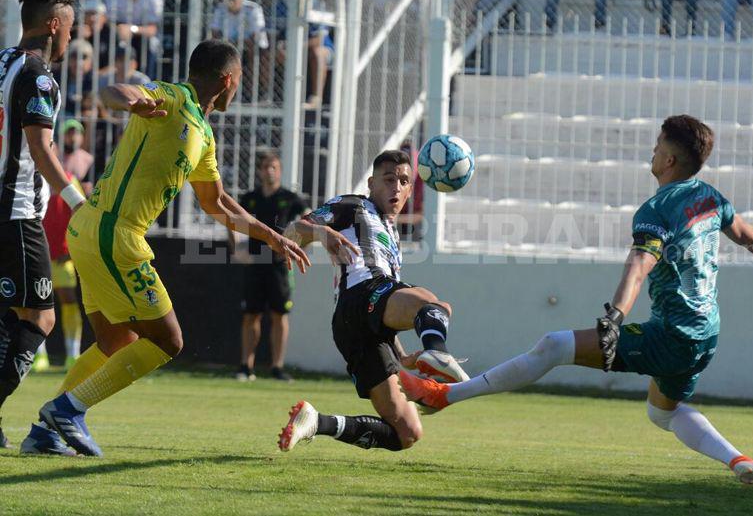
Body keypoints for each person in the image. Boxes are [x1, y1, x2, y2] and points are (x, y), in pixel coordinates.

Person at [398, 115, 753, 490]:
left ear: (668, 157)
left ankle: (444, 395)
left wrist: (615, 318)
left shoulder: (656, 210)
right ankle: (743, 463)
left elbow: (640, 265)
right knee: (662, 412)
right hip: (707, 332)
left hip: (674, 333)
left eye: (656, 145)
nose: (651, 151)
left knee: (552, 346)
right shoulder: (708, 196)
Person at [19, 40, 310, 457]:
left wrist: (273, 236)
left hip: (92, 230)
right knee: (169, 341)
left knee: (115, 341)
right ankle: (67, 410)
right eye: (239, 80)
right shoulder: (173, 97)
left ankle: (45, 432)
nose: (238, 88)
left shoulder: (203, 134)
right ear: (228, 80)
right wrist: (131, 103)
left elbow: (218, 204)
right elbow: (112, 92)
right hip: (114, 235)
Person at [275, 150, 471, 454]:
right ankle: (438, 354)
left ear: (410, 189)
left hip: (358, 325)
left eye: (404, 181)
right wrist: (321, 233)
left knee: (406, 432)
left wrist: (402, 357)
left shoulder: (392, 234)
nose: (396, 186)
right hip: (362, 293)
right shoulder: (353, 206)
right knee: (434, 306)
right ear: (371, 182)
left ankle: (316, 422)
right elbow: (292, 231)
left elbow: (389, 308)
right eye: (389, 179)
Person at [0, 0, 81, 451]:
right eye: (70, 26)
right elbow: (40, 148)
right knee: (42, 318)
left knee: (8, 312)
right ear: (54, 24)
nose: (73, 36)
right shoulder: (38, 76)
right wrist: (78, 204)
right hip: (18, 213)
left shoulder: (3, 64)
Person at [230, 153, 308, 382]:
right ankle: (246, 366)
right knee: (250, 314)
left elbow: (308, 221)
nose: (269, 171)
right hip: (255, 262)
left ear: (280, 170)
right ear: (259, 171)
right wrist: (237, 249)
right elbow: (232, 220)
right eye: (265, 167)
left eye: (273, 167)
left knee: (279, 314)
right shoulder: (250, 198)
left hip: (279, 264)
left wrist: (296, 246)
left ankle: (277, 367)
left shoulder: (290, 198)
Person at [34, 140, 88, 373]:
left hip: (61, 255)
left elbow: (76, 215)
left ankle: (72, 355)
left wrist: (70, 250)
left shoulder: (68, 179)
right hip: (37, 253)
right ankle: (38, 356)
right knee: (35, 304)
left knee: (67, 299)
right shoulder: (30, 180)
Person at [104, 0, 163, 78]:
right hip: (117, 33)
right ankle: (105, 77)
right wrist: (119, 29)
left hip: (141, 36)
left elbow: (152, 29)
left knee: (149, 43)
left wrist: (132, 29)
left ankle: (146, 81)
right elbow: (107, 20)